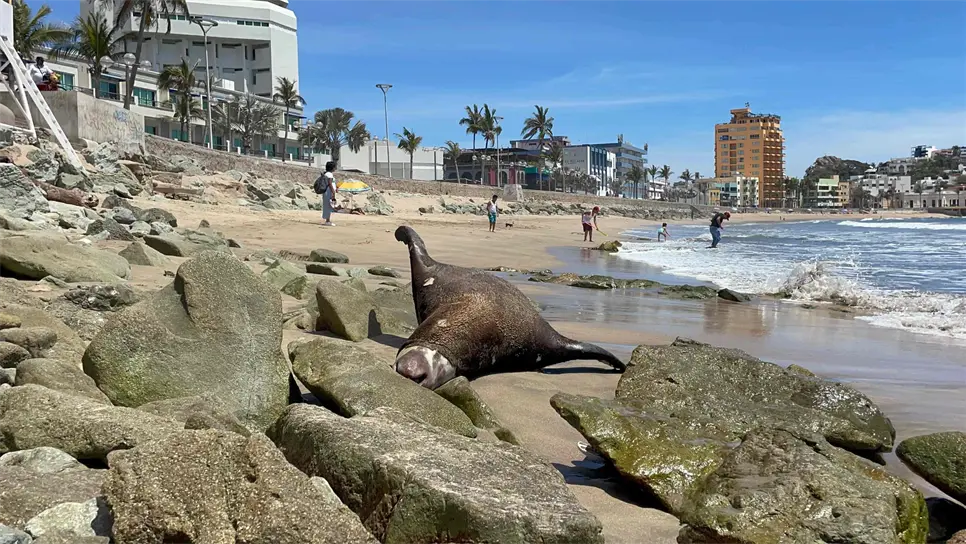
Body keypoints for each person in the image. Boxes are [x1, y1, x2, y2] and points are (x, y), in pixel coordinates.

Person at [314, 161, 338, 226]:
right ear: (332, 167)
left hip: (328, 191)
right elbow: (330, 183)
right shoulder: (329, 174)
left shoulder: (327, 174)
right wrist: (333, 191)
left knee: (328, 205)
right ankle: (327, 221)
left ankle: (328, 220)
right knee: (329, 205)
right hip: (329, 191)